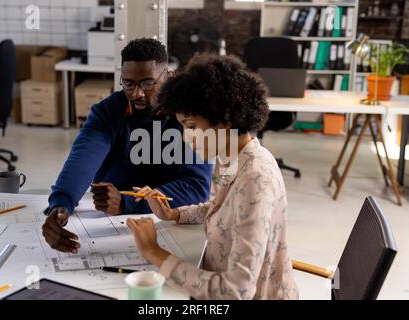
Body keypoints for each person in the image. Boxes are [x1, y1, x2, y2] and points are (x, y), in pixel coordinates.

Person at [127, 54, 299, 300]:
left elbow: (235, 291)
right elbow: (222, 207)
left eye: (192, 126)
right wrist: (174, 214)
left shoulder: (255, 179)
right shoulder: (236, 158)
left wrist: (153, 252)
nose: (186, 138)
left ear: (225, 120)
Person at [42, 39, 213, 254]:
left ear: (168, 76)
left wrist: (128, 202)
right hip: (110, 225)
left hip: (172, 224)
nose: (137, 94)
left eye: (148, 83)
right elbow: (82, 160)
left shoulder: (188, 116)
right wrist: (60, 205)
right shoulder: (107, 113)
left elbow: (197, 186)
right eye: (129, 84)